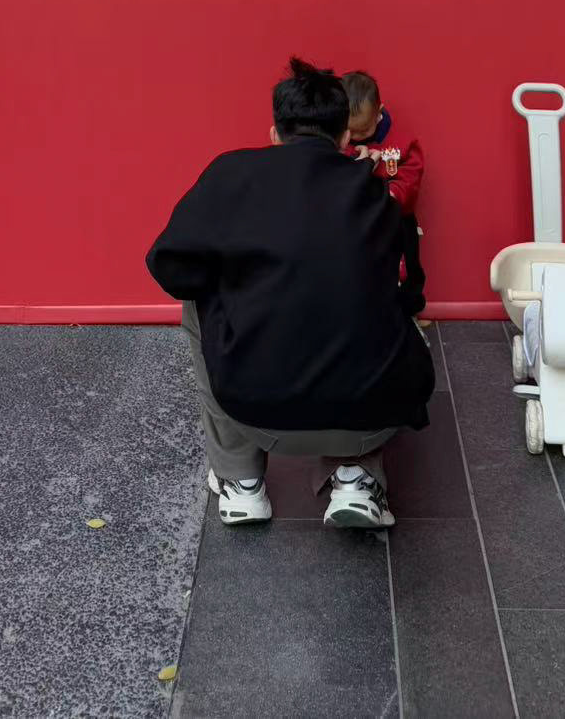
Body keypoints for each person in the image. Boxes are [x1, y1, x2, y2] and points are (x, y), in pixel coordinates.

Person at [146, 57, 435, 531]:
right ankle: (357, 477)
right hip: (372, 414)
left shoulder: (230, 173)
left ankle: (241, 483)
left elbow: (170, 266)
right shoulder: (375, 191)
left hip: (253, 409)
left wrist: (238, 285)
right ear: (346, 137)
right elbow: (406, 289)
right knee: (372, 303)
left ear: (274, 134)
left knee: (197, 303)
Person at [342, 70, 427, 316]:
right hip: (357, 218)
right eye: (349, 131)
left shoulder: (402, 141)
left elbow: (411, 176)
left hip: (395, 216)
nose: (356, 137)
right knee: (361, 267)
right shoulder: (339, 143)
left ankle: (410, 310)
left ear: (379, 112)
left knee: (408, 266)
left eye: (363, 130)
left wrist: (390, 194)